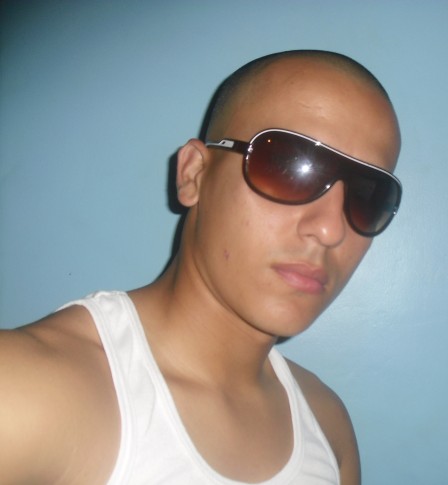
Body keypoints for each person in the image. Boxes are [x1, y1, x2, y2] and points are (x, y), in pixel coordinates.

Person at [0, 50, 401, 484]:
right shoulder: (26, 392)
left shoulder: (328, 426)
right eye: (290, 166)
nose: (330, 229)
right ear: (194, 174)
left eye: (369, 195)